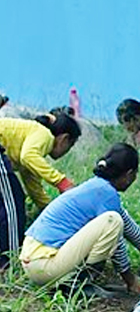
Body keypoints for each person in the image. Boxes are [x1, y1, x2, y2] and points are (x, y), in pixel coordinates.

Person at [20, 143, 140, 296]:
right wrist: (130, 280)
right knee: (113, 221)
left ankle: (75, 281)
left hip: (34, 262)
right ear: (129, 174)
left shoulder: (97, 188)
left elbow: (129, 227)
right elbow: (116, 236)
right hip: (45, 264)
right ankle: (78, 285)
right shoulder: (106, 194)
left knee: (115, 220)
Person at [0, 112, 80, 269]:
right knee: (13, 206)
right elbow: (28, 156)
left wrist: (50, 210)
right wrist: (61, 182)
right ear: (64, 138)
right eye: (70, 146)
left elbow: (34, 188)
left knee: (13, 197)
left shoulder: (29, 143)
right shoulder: (44, 134)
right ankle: (9, 261)